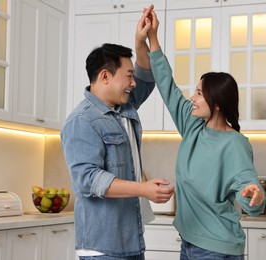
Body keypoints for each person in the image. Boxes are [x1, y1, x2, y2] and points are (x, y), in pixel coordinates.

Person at [143, 9, 266, 260]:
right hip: (190, 243)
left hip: (216, 248)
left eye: (199, 93)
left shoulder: (234, 144)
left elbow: (249, 196)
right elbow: (167, 85)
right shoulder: (192, 125)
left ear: (217, 104)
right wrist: (153, 38)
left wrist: (255, 196)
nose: (192, 97)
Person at [60, 6, 174, 260]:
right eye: (128, 76)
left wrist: (140, 39)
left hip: (130, 240)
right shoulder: (81, 121)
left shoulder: (124, 106)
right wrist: (142, 189)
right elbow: (88, 179)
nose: (133, 83)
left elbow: (146, 77)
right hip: (103, 247)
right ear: (105, 76)